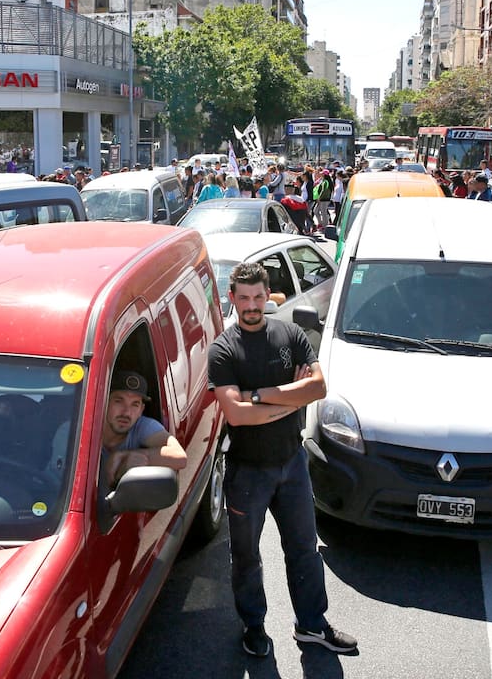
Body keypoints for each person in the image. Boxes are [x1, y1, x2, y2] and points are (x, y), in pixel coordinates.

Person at [208, 263, 356, 657]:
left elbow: (319, 387)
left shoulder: (289, 334)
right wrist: (289, 397)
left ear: (268, 294)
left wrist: (258, 395)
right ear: (232, 298)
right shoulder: (223, 350)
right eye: (244, 298)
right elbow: (235, 415)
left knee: (304, 549)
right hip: (247, 473)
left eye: (258, 297)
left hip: (292, 466)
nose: (252, 306)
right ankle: (253, 627)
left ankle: (312, 625)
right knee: (246, 558)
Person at [100, 371, 187, 488]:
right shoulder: (83, 429)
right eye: (119, 401)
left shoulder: (142, 426)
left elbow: (179, 457)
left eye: (134, 404)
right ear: (105, 402)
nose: (126, 412)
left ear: (141, 410)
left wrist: (128, 456)